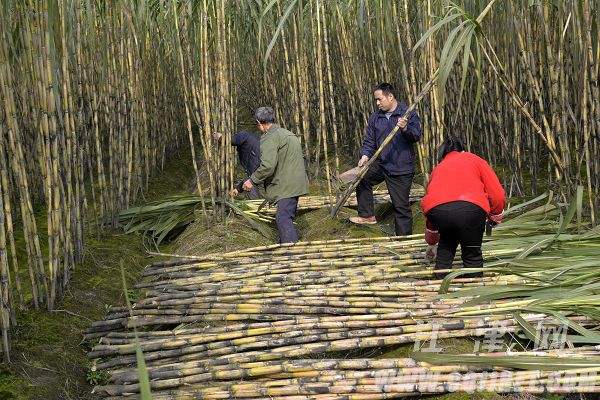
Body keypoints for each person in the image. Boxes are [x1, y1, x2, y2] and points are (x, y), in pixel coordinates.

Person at [421, 136, 505, 279]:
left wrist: (431, 242)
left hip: (439, 212)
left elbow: (432, 203)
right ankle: (474, 289)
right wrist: (495, 216)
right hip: (471, 209)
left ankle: (439, 285)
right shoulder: (475, 160)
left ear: (442, 155)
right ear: (463, 149)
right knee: (472, 254)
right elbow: (497, 194)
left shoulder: (438, 168)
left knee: (446, 245)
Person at [349, 82, 422, 236]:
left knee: (401, 206)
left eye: (379, 99)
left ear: (390, 96)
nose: (377, 103)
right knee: (362, 177)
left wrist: (405, 128)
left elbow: (416, 135)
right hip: (382, 164)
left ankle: (404, 240)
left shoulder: (407, 113)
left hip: (401, 167)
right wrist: (365, 156)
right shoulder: (376, 117)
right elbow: (369, 141)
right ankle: (367, 215)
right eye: (376, 100)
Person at [241, 107, 309, 243]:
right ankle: (285, 242)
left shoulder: (270, 137)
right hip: (297, 183)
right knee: (286, 216)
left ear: (259, 122)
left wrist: (251, 180)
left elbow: (267, 166)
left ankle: (291, 252)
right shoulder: (288, 133)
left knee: (283, 218)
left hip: (286, 185)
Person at [212, 131, 261, 199]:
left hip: (263, 187)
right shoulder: (256, 145)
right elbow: (251, 176)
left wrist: (220, 137)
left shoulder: (245, 136)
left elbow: (232, 140)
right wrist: (238, 189)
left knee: (256, 204)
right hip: (259, 182)